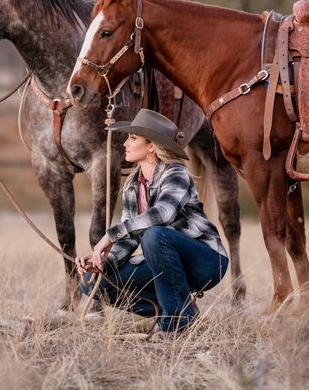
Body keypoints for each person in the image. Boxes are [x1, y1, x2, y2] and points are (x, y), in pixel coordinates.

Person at [76, 109, 228, 333]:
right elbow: (129, 240)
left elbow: (162, 214)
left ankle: (176, 323)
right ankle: (179, 307)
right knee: (93, 282)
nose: (125, 143)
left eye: (133, 137)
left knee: (155, 235)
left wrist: (109, 235)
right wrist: (102, 262)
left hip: (206, 261)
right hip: (165, 260)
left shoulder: (176, 174)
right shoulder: (131, 187)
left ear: (151, 147)